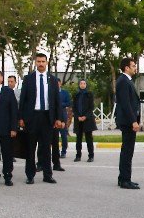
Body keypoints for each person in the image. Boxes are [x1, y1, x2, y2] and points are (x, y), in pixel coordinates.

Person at [18, 53, 64, 184]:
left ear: (47, 62)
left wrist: (58, 118)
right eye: (38, 61)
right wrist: (20, 117)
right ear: (35, 62)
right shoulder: (29, 79)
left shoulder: (53, 80)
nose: (41, 64)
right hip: (32, 117)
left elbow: (57, 101)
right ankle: (30, 175)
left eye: (43, 61)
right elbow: (23, 99)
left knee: (46, 149)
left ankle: (47, 175)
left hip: (47, 117)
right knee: (30, 148)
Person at [115, 57, 141, 189]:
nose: (135, 68)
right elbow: (125, 104)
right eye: (133, 66)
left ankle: (123, 178)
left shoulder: (126, 80)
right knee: (127, 151)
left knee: (127, 150)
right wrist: (133, 121)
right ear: (126, 68)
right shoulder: (123, 81)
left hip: (127, 121)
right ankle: (125, 180)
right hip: (127, 121)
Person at [72, 79, 97, 162]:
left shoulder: (89, 94)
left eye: (84, 83)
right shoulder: (76, 95)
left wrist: (85, 116)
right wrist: (77, 116)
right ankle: (78, 156)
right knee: (78, 139)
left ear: (86, 85)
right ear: (79, 85)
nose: (82, 85)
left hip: (88, 120)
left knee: (89, 139)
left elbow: (91, 107)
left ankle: (91, 156)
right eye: (81, 83)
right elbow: (74, 107)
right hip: (78, 120)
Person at [56, 82, 72, 161]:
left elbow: (69, 103)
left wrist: (60, 104)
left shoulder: (65, 93)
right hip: (54, 117)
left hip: (62, 115)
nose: (57, 85)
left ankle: (64, 151)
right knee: (54, 136)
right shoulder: (51, 92)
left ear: (60, 84)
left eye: (58, 83)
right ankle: (56, 152)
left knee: (63, 135)